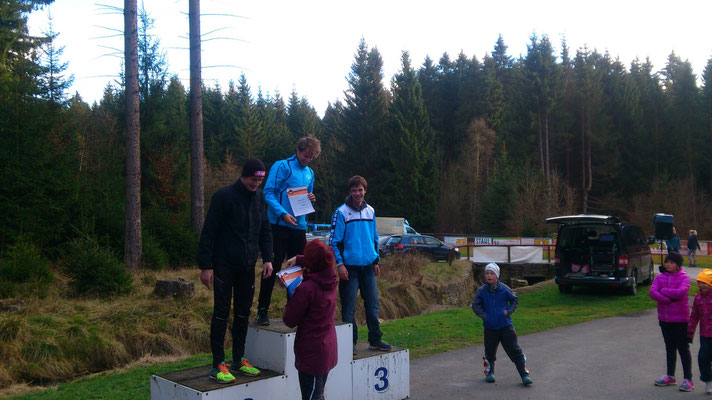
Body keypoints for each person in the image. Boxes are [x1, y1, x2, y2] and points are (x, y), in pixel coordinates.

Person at [197, 158, 274, 383]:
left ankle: (239, 359)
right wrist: (205, 266)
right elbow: (209, 231)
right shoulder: (224, 196)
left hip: (247, 266)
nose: (256, 184)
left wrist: (268, 259)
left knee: (243, 313)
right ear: (244, 175)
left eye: (260, 180)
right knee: (221, 313)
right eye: (253, 179)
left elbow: (265, 230)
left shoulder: (259, 197)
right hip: (223, 264)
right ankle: (217, 364)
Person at [256, 136, 321, 326]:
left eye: (311, 157)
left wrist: (311, 198)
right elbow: (268, 193)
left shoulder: (310, 172)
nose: (307, 159)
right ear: (298, 150)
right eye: (305, 155)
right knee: (272, 267)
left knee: (297, 270)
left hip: (299, 227)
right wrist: (282, 213)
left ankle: (294, 311)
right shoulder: (282, 166)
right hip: (278, 225)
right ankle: (262, 310)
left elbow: (306, 197)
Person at [330, 175, 391, 353]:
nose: (358, 193)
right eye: (354, 190)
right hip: (349, 268)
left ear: (365, 190)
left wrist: (376, 260)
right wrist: (340, 264)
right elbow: (333, 242)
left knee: (373, 305)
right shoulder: (341, 212)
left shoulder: (370, 211)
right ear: (350, 191)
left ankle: (375, 339)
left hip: (368, 267)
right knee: (349, 308)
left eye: (360, 190)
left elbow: (374, 238)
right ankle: (350, 343)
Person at [282, 240, 338, 400]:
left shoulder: (307, 289)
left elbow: (289, 320)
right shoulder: (331, 278)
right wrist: (300, 259)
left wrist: (292, 295)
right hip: (327, 348)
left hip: (311, 353)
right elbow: (324, 261)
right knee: (318, 394)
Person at [471, 263, 533, 385]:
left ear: (497, 276)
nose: (489, 276)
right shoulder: (482, 291)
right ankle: (490, 373)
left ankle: (524, 374)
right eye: (487, 273)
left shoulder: (504, 289)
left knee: (514, 350)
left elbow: (514, 299)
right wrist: (485, 316)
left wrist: (508, 311)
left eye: (492, 273)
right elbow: (475, 305)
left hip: (505, 326)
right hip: (490, 328)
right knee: (490, 352)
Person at [650, 252, 693, 392]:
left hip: (680, 320)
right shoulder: (660, 277)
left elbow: (681, 292)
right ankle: (670, 376)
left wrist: (663, 291)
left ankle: (688, 378)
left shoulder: (684, 277)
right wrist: (666, 299)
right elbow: (652, 291)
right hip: (664, 319)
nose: (668, 264)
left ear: (678, 265)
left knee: (683, 348)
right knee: (669, 347)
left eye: (672, 262)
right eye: (667, 262)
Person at [688, 269, 712, 394]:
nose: (701, 285)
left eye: (704, 283)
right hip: (705, 335)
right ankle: (708, 381)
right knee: (703, 359)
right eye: (699, 283)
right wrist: (689, 332)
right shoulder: (698, 298)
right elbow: (694, 316)